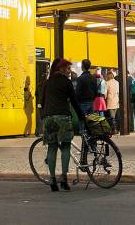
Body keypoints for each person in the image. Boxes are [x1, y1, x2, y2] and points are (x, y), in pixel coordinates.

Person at [40, 58, 87, 191]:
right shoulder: (66, 82)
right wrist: (82, 117)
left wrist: (43, 116)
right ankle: (64, 179)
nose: (69, 71)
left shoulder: (47, 82)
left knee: (52, 148)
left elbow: (42, 102)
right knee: (65, 147)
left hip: (49, 119)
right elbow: (74, 101)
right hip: (63, 118)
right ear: (60, 69)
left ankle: (52, 180)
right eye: (67, 69)